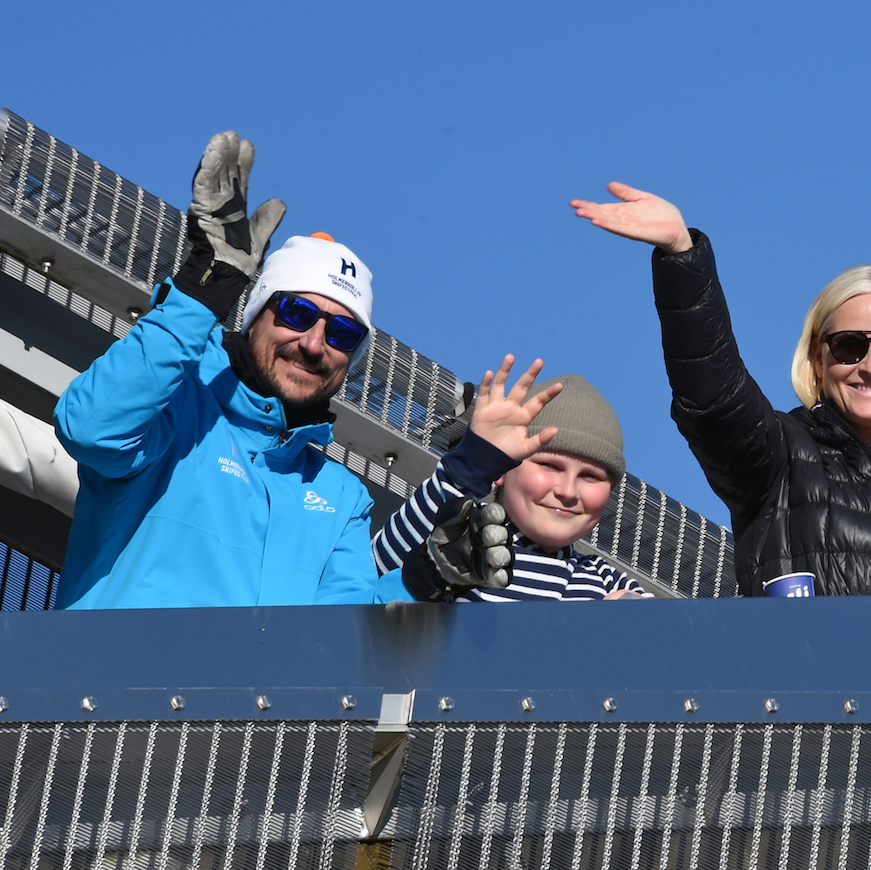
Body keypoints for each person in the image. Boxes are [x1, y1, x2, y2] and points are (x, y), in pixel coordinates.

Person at [570, 182, 871, 597]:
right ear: (817, 356)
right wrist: (682, 258)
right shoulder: (779, 457)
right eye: (849, 346)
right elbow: (715, 400)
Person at [54, 132, 399, 609]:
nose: (314, 344)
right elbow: (91, 430)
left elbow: (342, 640)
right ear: (255, 316)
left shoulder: (341, 497)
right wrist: (202, 292)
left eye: (342, 334)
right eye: (297, 313)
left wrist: (424, 581)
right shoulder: (174, 406)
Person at [373, 356, 648, 601]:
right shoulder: (462, 541)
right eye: (549, 466)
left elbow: (666, 632)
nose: (568, 491)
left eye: (590, 476)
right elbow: (381, 564)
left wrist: (629, 617)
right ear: (504, 468)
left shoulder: (606, 581)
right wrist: (472, 465)